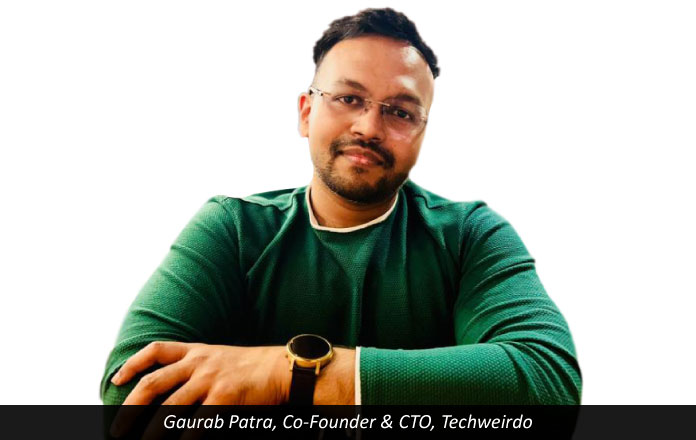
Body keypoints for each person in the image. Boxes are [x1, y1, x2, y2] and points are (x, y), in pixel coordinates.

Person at [101, 7, 582, 406]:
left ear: (422, 133)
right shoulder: (233, 229)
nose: (369, 127)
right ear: (306, 112)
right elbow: (129, 389)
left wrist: (287, 374)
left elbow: (547, 380)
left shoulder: (470, 235)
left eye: (400, 112)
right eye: (349, 98)